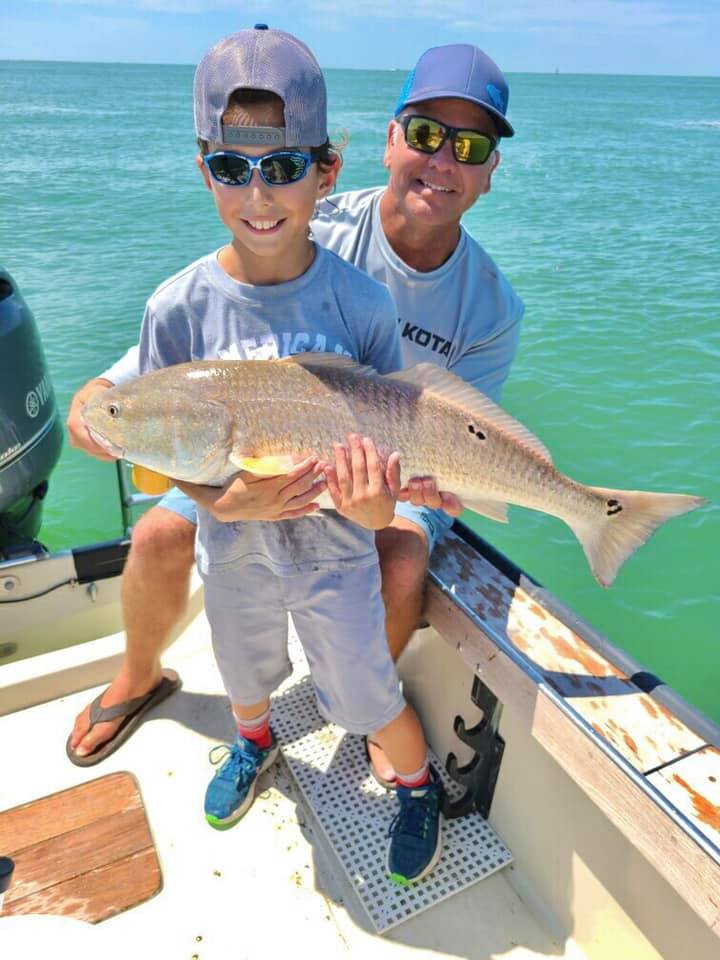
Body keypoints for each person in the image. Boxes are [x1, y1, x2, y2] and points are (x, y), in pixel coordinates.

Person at [67, 40, 522, 792]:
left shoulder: (493, 306)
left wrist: (397, 497)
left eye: (468, 146)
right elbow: (205, 355)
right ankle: (140, 674)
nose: (441, 161)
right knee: (154, 532)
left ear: (489, 171)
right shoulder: (305, 215)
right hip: (257, 439)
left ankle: (368, 715)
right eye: (425, 134)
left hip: (395, 461)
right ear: (390, 139)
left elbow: (462, 431)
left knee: (401, 553)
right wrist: (100, 400)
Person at [98, 24, 442, 885]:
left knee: (366, 696)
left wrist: (371, 505)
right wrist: (219, 502)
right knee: (244, 676)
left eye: (284, 168)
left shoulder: (363, 305)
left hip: (339, 563)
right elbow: (171, 449)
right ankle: (253, 745)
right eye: (232, 168)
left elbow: (384, 475)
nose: (259, 193)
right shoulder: (173, 309)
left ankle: (417, 781)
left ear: (327, 173)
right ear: (203, 167)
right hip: (234, 561)